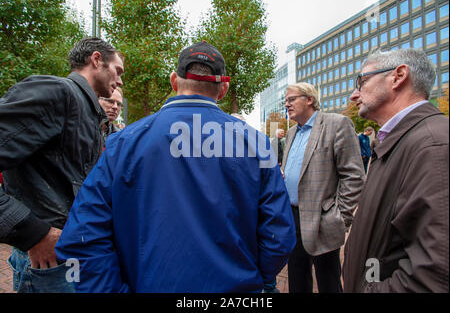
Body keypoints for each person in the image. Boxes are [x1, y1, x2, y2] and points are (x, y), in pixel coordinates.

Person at [55, 41, 296, 293]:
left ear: (174, 81)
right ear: (223, 89)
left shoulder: (124, 143)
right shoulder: (257, 144)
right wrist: (257, 276)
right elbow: (280, 237)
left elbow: (81, 238)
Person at [0, 37, 124, 293]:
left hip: (70, 255)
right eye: (118, 70)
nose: (120, 81)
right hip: (47, 260)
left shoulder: (89, 113)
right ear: (97, 60)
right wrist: (33, 232)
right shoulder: (57, 93)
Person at [344, 49, 449, 293]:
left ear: (398, 76)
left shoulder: (432, 146)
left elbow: (433, 277)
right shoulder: (401, 140)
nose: (353, 95)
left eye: (362, 81)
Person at [281, 82, 365, 293]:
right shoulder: (291, 133)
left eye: (291, 99)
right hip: (292, 218)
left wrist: (338, 217)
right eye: (286, 101)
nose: (287, 104)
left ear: (309, 99)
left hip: (322, 220)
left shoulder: (337, 124)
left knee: (329, 283)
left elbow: (354, 176)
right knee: (297, 280)